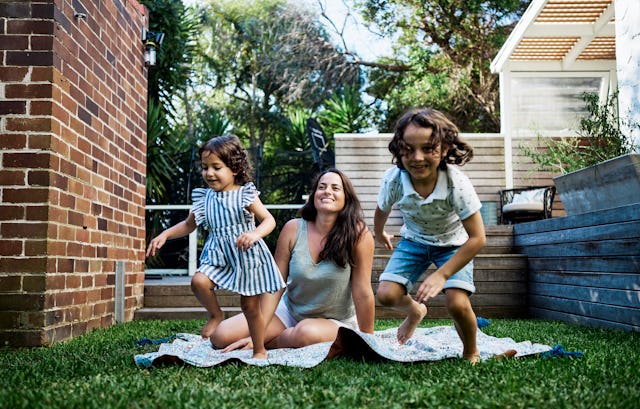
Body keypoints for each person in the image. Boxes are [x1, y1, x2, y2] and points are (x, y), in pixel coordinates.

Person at [145, 135, 286, 359]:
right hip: (217, 255)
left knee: (250, 308)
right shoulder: (204, 199)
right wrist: (165, 234)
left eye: (216, 167)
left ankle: (259, 350)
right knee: (199, 281)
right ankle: (216, 315)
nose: (209, 173)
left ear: (235, 169)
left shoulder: (245, 194)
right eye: (205, 167)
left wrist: (254, 233)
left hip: (245, 256)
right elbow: (188, 225)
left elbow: (269, 220)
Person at [211, 168, 375, 351]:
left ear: (346, 198)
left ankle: (274, 343)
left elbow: (363, 291)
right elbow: (276, 285)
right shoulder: (293, 229)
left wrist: (368, 340)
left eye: (335, 188)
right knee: (221, 336)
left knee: (305, 333)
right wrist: (258, 332)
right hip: (290, 312)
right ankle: (276, 338)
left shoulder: (359, 234)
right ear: (314, 195)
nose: (327, 191)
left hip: (334, 320)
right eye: (322, 187)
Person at [374, 108, 486, 363]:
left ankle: (470, 351)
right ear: (398, 149)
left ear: (444, 148)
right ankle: (415, 312)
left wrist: (442, 274)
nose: (417, 157)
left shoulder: (456, 183)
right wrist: (379, 232)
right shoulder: (394, 179)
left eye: (428, 148)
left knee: (456, 303)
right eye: (408, 149)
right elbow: (382, 209)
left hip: (453, 246)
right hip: (413, 241)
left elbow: (478, 238)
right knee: (386, 295)